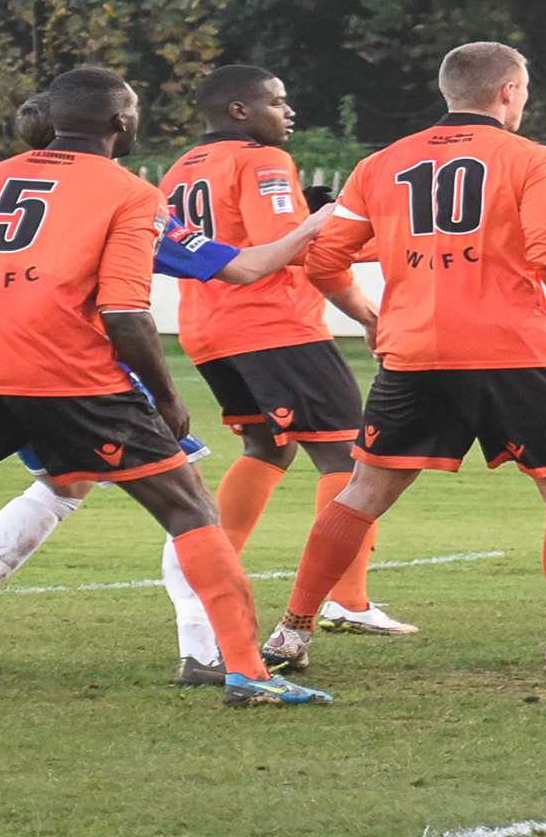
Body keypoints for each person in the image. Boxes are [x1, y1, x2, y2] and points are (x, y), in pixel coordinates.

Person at [261, 41, 546, 686]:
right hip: (512, 351)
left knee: (364, 491)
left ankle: (292, 631)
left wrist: (369, 317)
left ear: (448, 92)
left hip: (414, 356)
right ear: (510, 92)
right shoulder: (533, 159)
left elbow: (323, 258)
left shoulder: (381, 164)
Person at [0, 67, 327, 705]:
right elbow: (126, 310)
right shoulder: (128, 193)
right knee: (189, 509)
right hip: (69, 376)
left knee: (64, 484)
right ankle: (237, 668)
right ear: (121, 121)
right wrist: (166, 398)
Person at [160, 65, 414, 637]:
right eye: (277, 101)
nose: (289, 112)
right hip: (274, 328)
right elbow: (291, 248)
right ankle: (347, 599)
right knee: (348, 457)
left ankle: (208, 579)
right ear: (240, 111)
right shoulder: (262, 160)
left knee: (266, 449)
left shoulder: (179, 170)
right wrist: (377, 247)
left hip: (206, 329)